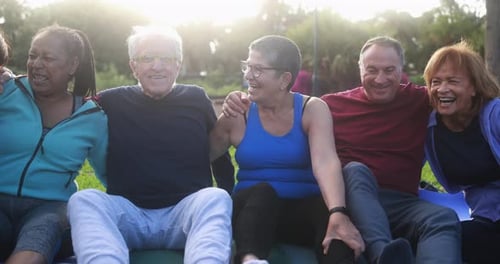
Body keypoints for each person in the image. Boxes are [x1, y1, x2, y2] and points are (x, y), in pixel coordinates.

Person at [222, 36, 462, 264]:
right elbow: (293, 119)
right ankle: (383, 256)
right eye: (371, 70)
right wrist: (240, 97)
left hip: (400, 201)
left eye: (389, 70)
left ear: (402, 70)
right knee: (355, 170)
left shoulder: (420, 100)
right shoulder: (331, 105)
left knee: (442, 218)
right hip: (350, 197)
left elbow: (459, 96)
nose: (380, 79)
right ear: (360, 69)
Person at [67, 25, 234, 263]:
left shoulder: (196, 98)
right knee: (84, 200)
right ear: (133, 66)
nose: (157, 66)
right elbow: (66, 106)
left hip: (184, 214)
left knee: (215, 197)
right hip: (129, 215)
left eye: (166, 58)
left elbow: (220, 154)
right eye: (147, 58)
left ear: (178, 64)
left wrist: (227, 194)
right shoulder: (109, 101)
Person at [210, 35, 364, 264]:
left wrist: (337, 211)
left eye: (258, 69)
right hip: (251, 215)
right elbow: (204, 154)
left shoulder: (312, 108)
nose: (248, 75)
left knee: (327, 211)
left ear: (284, 79)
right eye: (247, 66)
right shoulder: (238, 112)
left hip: (297, 215)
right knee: (264, 192)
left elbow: (325, 161)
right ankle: (250, 260)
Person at [0, 25, 107, 264]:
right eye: (32, 55)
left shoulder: (92, 118)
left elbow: (110, 174)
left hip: (50, 208)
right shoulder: (6, 90)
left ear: (72, 65)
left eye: (48, 58)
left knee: (34, 249)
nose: (36, 64)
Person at [423, 41, 500, 264]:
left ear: (474, 87)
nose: (442, 89)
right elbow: (402, 163)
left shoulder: (494, 114)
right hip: (485, 216)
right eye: (435, 82)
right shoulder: (430, 128)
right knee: (452, 240)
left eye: (452, 81)